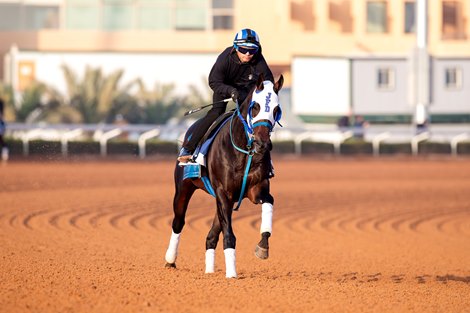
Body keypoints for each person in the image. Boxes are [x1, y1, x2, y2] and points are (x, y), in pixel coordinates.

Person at [177, 28, 274, 163]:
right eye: (243, 49)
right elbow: (214, 81)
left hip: (246, 89)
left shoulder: (258, 59)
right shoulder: (225, 58)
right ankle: (188, 149)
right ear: (235, 47)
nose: (247, 54)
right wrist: (230, 91)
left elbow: (268, 81)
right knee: (216, 113)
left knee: (252, 115)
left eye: (252, 50)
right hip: (224, 87)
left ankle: (266, 162)